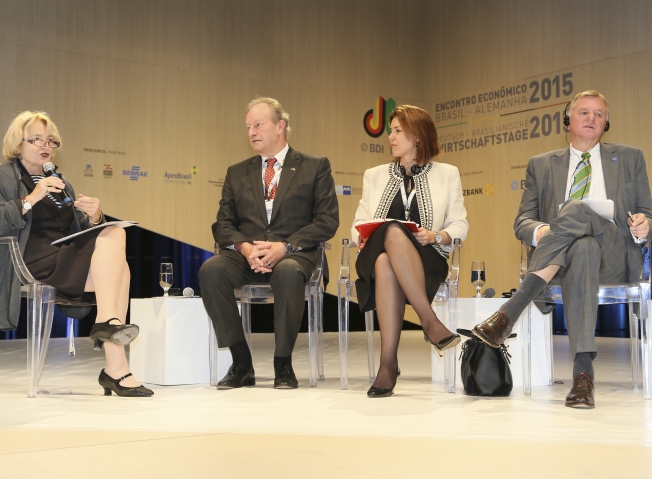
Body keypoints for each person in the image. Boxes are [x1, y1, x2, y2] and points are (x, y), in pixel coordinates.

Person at [472, 90, 652, 409]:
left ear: (606, 124)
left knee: (576, 210)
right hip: (565, 260)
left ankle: (510, 312)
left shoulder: (630, 158)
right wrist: (542, 230)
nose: (591, 118)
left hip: (613, 255)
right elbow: (522, 222)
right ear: (567, 120)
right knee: (582, 246)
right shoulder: (541, 165)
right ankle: (583, 377)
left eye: (599, 114)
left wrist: (644, 225)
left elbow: (651, 217)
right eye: (584, 112)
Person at [0, 111, 153, 398]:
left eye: (50, 141)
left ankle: (112, 349)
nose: (45, 145)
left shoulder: (60, 181)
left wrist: (95, 217)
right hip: (27, 259)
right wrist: (31, 197)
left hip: (62, 254)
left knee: (116, 239)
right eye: (36, 139)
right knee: (120, 263)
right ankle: (113, 354)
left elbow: (79, 232)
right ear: (17, 144)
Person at [199, 97, 339, 390]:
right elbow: (222, 224)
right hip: (248, 255)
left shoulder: (314, 166)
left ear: (281, 126)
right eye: (248, 126)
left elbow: (327, 221)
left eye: (259, 124)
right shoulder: (237, 172)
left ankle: (283, 363)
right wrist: (245, 248)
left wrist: (285, 247)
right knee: (211, 270)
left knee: (287, 272)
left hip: (294, 255)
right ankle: (241, 363)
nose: (252, 131)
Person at [351, 105, 469, 397]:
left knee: (385, 264)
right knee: (391, 231)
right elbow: (357, 223)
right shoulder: (374, 174)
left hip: (426, 257)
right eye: (391, 130)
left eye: (398, 130)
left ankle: (388, 364)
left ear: (418, 136)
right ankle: (429, 322)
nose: (391, 136)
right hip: (375, 247)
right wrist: (362, 234)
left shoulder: (447, 174)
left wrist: (436, 235)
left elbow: (459, 224)